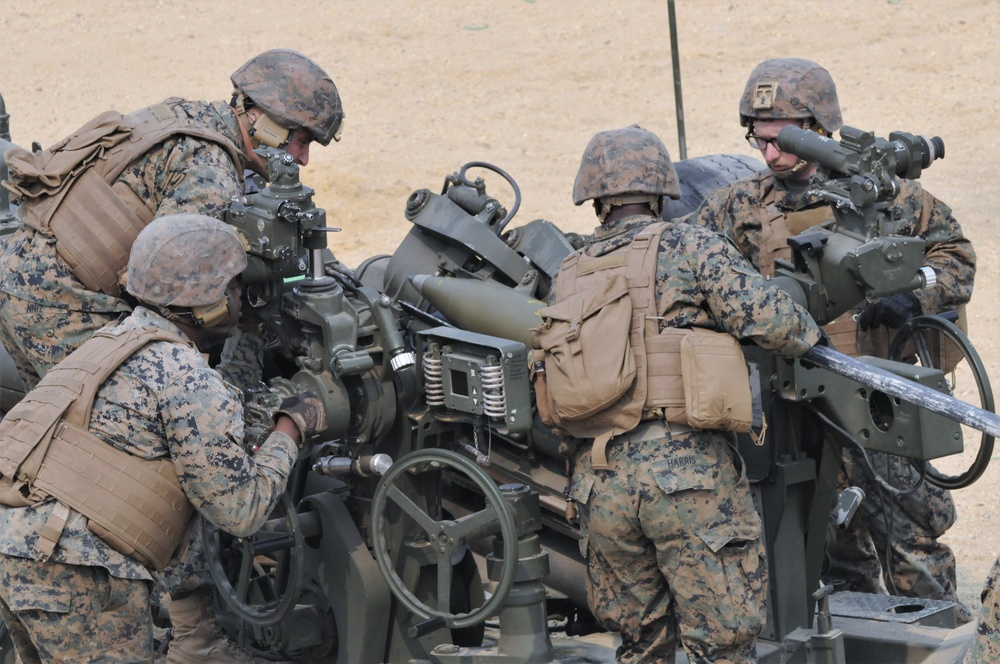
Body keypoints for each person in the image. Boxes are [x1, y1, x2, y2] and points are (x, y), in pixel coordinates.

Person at [687, 57, 976, 623]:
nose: (769, 156)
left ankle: (939, 641)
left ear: (820, 129)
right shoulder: (739, 206)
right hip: (800, 408)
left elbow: (956, 258)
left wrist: (916, 293)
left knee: (913, 541)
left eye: (782, 141)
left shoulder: (893, 198)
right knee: (832, 550)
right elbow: (687, 260)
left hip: (884, 402)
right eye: (758, 140)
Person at [538, 125, 822, 663]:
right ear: (661, 189)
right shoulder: (690, 244)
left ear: (595, 196)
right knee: (724, 645)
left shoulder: (568, 272)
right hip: (685, 478)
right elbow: (779, 323)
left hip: (599, 487)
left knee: (642, 647)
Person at [0, 214, 327, 663]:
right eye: (232, 288)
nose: (239, 297)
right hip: (79, 570)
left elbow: (213, 399)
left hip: (19, 544)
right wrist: (291, 428)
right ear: (207, 304)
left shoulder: (116, 339)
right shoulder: (187, 379)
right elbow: (241, 509)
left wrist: (247, 338)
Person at [0, 47, 345, 392]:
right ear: (264, 122)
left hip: (21, 272)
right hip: (61, 304)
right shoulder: (210, 173)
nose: (303, 159)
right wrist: (244, 317)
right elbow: (172, 298)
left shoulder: (185, 115)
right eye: (301, 142)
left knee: (53, 415)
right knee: (122, 425)